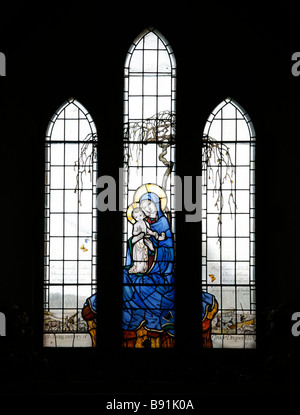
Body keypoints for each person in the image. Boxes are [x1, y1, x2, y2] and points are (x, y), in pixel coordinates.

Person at [128, 206, 165, 274]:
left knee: (144, 255)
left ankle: (144, 269)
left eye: (140, 215)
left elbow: (148, 231)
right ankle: (136, 268)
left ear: (143, 215)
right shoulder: (136, 224)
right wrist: (140, 233)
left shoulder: (146, 223)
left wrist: (153, 233)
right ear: (134, 218)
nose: (138, 218)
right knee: (138, 256)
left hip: (144, 241)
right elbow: (134, 233)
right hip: (138, 243)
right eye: (136, 217)